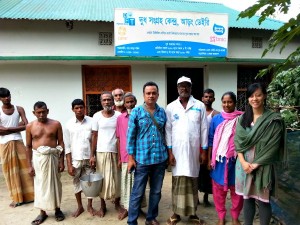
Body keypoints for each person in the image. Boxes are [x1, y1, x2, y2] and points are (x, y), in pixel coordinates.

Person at [235, 83, 286, 225]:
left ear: (264, 96)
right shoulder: (243, 119)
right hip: (244, 166)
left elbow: (274, 146)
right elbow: (238, 142)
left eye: (258, 95)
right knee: (247, 198)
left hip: (263, 167)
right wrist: (244, 163)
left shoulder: (273, 120)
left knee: (263, 200)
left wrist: (256, 164)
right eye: (251, 96)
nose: (255, 98)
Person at [165, 76, 208, 225]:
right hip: (176, 152)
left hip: (194, 152)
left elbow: (204, 129)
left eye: (187, 86)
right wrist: (170, 152)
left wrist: (203, 152)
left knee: (192, 182)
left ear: (191, 88)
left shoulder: (199, 106)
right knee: (177, 182)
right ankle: (176, 213)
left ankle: (193, 214)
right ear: (177, 88)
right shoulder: (171, 107)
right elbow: (168, 131)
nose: (184, 88)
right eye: (181, 86)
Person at [127, 81, 168, 225]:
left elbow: (165, 133)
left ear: (158, 95)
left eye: (154, 93)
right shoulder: (136, 112)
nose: (151, 96)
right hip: (142, 160)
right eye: (148, 93)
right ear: (143, 95)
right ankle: (132, 221)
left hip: (160, 159)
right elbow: (130, 136)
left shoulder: (162, 112)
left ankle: (151, 218)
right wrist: (131, 158)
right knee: (137, 192)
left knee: (156, 192)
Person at [26, 101, 65, 225]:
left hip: (53, 157)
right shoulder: (30, 126)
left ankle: (57, 209)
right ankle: (42, 212)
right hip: (38, 158)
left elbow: (61, 143)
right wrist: (29, 165)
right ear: (34, 113)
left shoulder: (56, 124)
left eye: (43, 111)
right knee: (40, 185)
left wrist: (61, 161)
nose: (41, 114)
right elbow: (28, 146)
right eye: (39, 112)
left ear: (47, 111)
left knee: (55, 184)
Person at [208, 92, 243, 225]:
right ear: (221, 103)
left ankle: (235, 216)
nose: (227, 105)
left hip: (237, 160)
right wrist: (209, 160)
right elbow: (211, 140)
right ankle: (221, 216)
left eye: (230, 102)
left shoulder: (242, 118)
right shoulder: (216, 119)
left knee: (237, 190)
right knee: (218, 192)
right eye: (224, 102)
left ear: (235, 103)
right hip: (219, 161)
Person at [0, 87, 34, 208]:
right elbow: (0, 132)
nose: (7, 98)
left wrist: (7, 129)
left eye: (8, 95)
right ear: (0, 98)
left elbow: (27, 125)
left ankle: (30, 196)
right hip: (5, 145)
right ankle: (16, 198)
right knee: (10, 171)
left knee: (25, 169)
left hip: (18, 142)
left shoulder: (19, 109)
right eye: (4, 96)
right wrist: (16, 127)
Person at [90, 91, 122, 218]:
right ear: (101, 102)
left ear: (113, 101)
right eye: (104, 100)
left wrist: (121, 156)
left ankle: (117, 204)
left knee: (117, 178)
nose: (107, 102)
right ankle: (102, 206)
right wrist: (92, 155)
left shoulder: (119, 115)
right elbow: (94, 135)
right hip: (101, 152)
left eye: (109, 99)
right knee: (101, 180)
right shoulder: (96, 116)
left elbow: (120, 136)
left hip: (115, 152)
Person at [116, 92, 147, 220]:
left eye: (131, 102)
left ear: (135, 102)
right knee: (126, 183)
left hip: (139, 155)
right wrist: (118, 157)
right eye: (127, 102)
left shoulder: (142, 115)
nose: (129, 104)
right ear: (124, 103)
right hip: (125, 156)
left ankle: (138, 207)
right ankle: (127, 209)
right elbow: (118, 138)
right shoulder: (120, 118)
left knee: (139, 183)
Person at [64, 99, 95, 218]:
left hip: (89, 158)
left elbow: (94, 141)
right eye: (76, 108)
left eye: (81, 107)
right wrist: (69, 165)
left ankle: (90, 206)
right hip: (75, 159)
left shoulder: (92, 122)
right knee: (76, 182)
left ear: (85, 108)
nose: (79, 110)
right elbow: (67, 146)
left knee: (90, 183)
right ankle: (80, 206)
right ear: (72, 109)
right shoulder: (68, 124)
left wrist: (93, 156)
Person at [199, 88, 219, 207]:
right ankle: (195, 197)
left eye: (210, 97)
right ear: (202, 98)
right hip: (198, 147)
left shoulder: (216, 114)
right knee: (197, 172)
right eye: (206, 96)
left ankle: (206, 197)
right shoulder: (198, 112)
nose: (208, 99)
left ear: (214, 99)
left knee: (207, 172)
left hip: (211, 147)